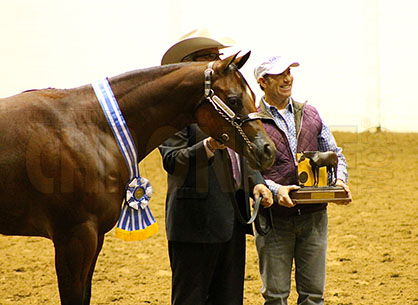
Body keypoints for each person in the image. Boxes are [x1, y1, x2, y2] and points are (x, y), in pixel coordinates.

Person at [158, 29, 273, 305]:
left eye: (216, 57)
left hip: (231, 220)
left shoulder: (225, 106)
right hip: (194, 225)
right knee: (191, 299)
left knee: (230, 299)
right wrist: (209, 145)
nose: (216, 63)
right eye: (208, 58)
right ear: (190, 63)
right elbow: (173, 161)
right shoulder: (173, 111)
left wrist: (255, 180)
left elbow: (241, 153)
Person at [253, 55, 352, 305]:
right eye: (279, 74)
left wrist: (339, 181)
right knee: (276, 296)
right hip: (274, 218)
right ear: (262, 81)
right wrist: (276, 190)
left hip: (314, 216)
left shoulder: (310, 113)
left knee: (313, 296)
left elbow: (334, 152)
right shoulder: (251, 120)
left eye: (289, 71)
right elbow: (248, 169)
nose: (288, 78)